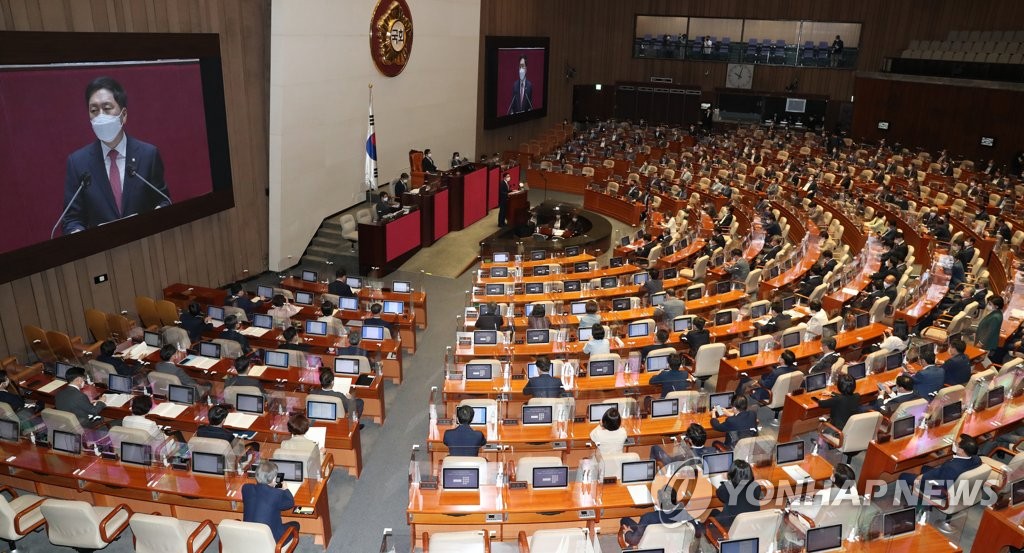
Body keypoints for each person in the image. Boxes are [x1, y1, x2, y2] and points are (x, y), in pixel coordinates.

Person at [61, 76, 171, 235]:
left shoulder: (148, 155)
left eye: (107, 108)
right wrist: (77, 233)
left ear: (123, 115)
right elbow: (71, 219)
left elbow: (163, 200)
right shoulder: (78, 163)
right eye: (94, 111)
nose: (100, 116)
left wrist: (159, 213)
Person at [897, 435, 980, 505]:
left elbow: (939, 483)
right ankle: (919, 496)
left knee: (903, 477)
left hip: (940, 490)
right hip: (953, 481)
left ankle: (912, 502)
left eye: (956, 443)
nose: (953, 443)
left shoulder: (952, 467)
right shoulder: (976, 459)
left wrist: (922, 477)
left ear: (961, 451)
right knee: (924, 468)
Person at [242, 460, 300, 542]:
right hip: (270, 539)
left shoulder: (246, 488)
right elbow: (290, 503)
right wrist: (285, 489)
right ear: (274, 479)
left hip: (248, 536)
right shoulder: (276, 494)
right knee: (295, 524)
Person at [708, 460, 763, 531]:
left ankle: (707, 532)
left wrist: (727, 481)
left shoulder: (727, 487)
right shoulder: (756, 486)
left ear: (731, 472)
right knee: (716, 511)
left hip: (729, 525)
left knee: (714, 512)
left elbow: (720, 495)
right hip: (749, 523)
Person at [977, 296, 1005, 363]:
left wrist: (981, 342)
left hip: (986, 343)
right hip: (984, 340)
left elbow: (990, 332)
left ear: (996, 306)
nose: (988, 305)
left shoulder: (996, 317)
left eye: (990, 304)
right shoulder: (996, 312)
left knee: (981, 359)